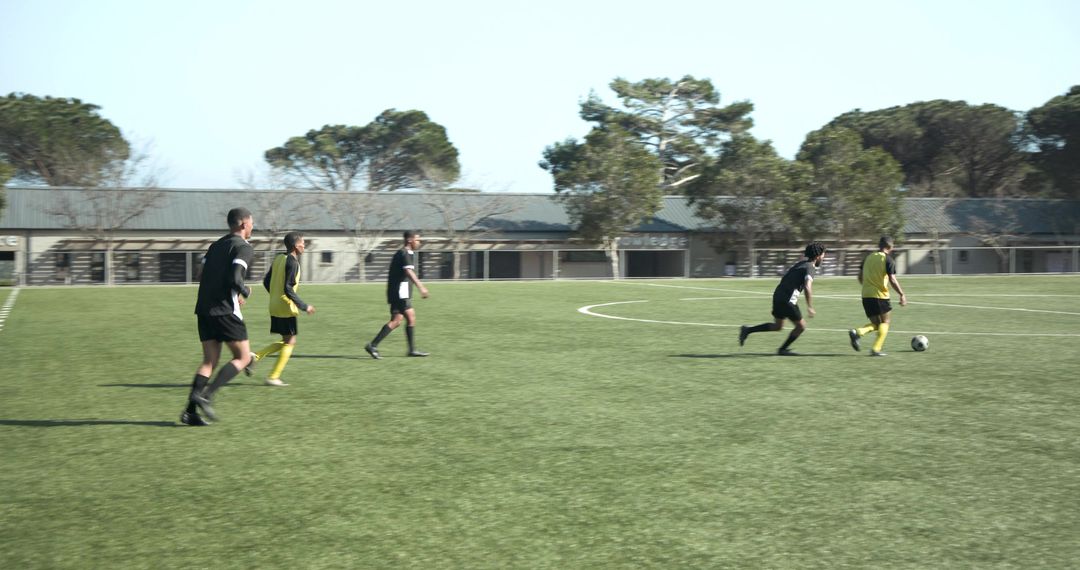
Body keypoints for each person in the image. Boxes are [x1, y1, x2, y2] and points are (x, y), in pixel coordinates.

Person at [181, 207, 256, 426]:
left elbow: (200, 274)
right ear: (243, 224)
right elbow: (235, 277)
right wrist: (244, 290)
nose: (252, 227)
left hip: (204, 309)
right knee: (243, 357)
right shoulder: (243, 247)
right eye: (251, 223)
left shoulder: (215, 245)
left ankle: (190, 412)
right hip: (224, 310)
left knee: (209, 361)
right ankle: (207, 395)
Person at [249, 232, 316, 386]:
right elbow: (288, 289)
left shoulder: (279, 258)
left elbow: (266, 281)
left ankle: (256, 357)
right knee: (290, 341)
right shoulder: (293, 262)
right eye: (302, 243)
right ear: (295, 246)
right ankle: (273, 376)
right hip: (286, 306)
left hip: (274, 304)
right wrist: (305, 306)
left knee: (287, 340)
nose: (304, 245)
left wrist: (274, 296)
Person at [739, 242, 827, 356]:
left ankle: (747, 330)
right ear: (817, 256)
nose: (824, 257)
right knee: (801, 326)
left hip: (778, 296)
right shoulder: (810, 267)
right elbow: (807, 286)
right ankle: (783, 349)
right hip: (787, 300)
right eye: (824, 255)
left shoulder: (801, 264)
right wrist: (810, 307)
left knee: (778, 326)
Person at [364, 230, 430, 359]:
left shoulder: (406, 253)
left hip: (398, 292)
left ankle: (374, 345)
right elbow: (408, 271)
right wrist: (421, 287)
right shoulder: (404, 253)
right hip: (400, 292)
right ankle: (409, 350)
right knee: (409, 317)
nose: (419, 242)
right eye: (417, 240)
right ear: (410, 240)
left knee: (397, 320)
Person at [848, 236, 907, 356]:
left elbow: (859, 277)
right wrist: (902, 294)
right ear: (890, 247)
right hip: (880, 296)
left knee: (876, 324)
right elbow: (892, 279)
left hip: (866, 295)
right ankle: (876, 349)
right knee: (885, 322)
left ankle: (857, 332)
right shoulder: (888, 260)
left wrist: (867, 286)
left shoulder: (867, 258)